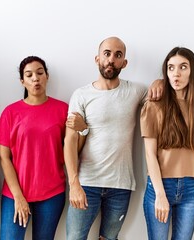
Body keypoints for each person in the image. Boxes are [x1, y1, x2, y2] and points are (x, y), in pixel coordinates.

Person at [64, 36, 162, 240]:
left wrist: (158, 80)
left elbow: (156, 97)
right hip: (87, 182)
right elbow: (70, 142)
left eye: (118, 55)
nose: (111, 60)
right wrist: (74, 184)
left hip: (121, 185)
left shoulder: (135, 90)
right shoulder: (81, 95)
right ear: (97, 58)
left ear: (124, 63)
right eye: (107, 54)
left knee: (109, 238)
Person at [0, 56, 86, 240]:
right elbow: (4, 157)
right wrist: (18, 197)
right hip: (15, 193)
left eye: (39, 73)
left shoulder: (62, 110)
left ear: (47, 76)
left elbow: (73, 150)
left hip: (52, 193)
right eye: (29, 75)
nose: (35, 78)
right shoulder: (11, 112)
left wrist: (83, 129)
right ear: (22, 81)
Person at [140, 47, 194, 240]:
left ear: (192, 71)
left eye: (183, 67)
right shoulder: (154, 106)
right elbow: (149, 154)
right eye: (171, 68)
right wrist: (160, 194)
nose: (176, 73)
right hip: (161, 185)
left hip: (191, 187)